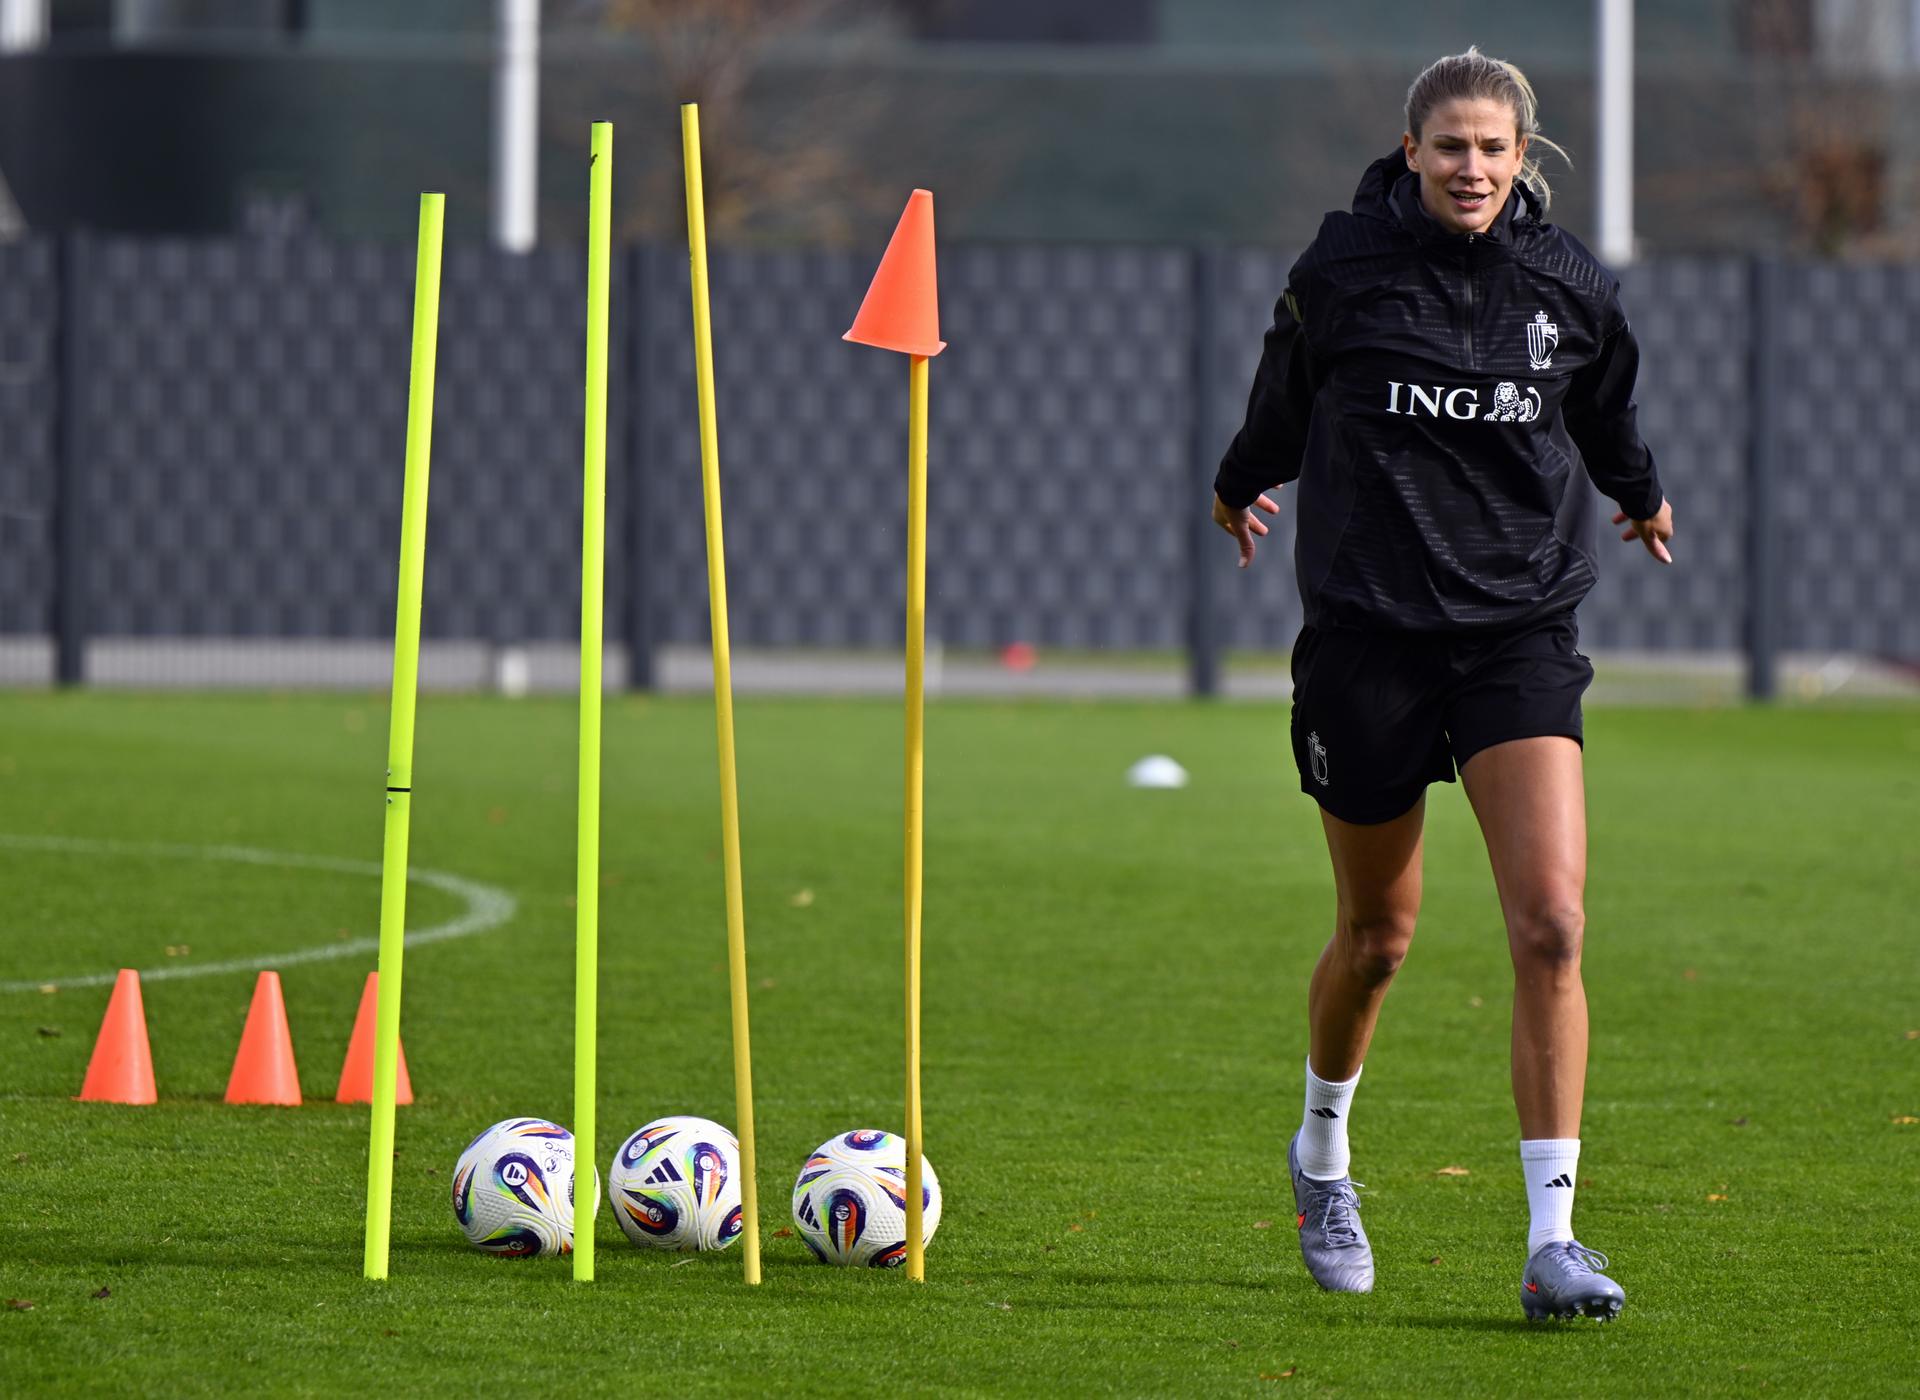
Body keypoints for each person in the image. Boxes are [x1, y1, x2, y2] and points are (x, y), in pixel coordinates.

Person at [1212, 47, 1673, 1322]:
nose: (1473, 167)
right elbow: (1282, 402)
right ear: (1410, 152)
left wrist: (1638, 494)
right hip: (1367, 640)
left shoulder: (1570, 285)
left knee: (1554, 924)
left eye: (1495, 148)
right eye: (1451, 146)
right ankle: (1321, 1154)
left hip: (1518, 632)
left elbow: (1605, 407)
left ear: (1524, 159)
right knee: (1378, 939)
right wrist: (1241, 476)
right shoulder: (1344, 271)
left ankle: (1553, 1240)